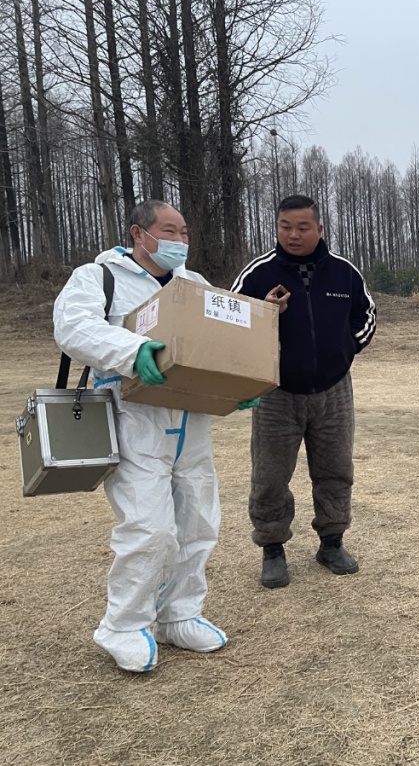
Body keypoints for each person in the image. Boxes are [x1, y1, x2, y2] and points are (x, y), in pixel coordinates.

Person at [53, 199, 243, 673]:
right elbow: (73, 327)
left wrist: (239, 384)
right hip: (134, 421)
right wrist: (133, 348)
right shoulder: (100, 277)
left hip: (190, 422)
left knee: (198, 522)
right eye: (169, 231)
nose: (179, 241)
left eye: (184, 233)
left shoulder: (194, 285)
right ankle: (123, 624)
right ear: (140, 233)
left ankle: (181, 614)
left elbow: (221, 342)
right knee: (150, 528)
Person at [231, 194, 376, 589]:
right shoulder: (258, 274)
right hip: (277, 393)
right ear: (277, 227)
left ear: (320, 229)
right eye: (285, 227)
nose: (293, 235)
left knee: (335, 471)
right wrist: (263, 312)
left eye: (302, 227)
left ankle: (332, 541)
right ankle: (272, 548)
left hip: (334, 392)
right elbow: (229, 328)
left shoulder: (344, 274)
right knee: (270, 474)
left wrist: (346, 350)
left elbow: (366, 317)